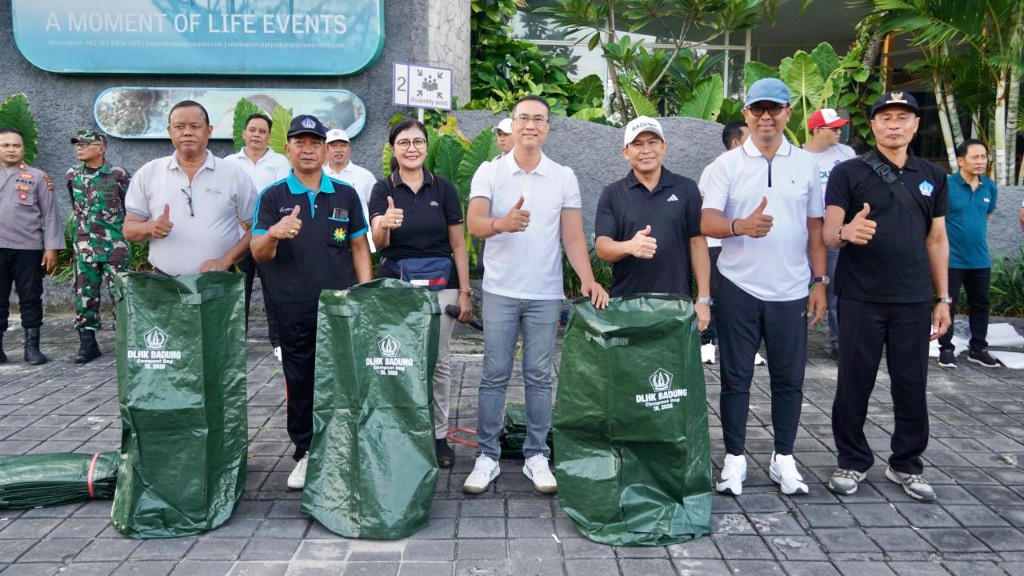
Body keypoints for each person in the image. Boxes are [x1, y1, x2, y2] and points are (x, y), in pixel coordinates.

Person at [464, 95, 609, 495]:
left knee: (539, 377)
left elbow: (574, 236)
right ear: (512, 125)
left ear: (547, 127)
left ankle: (536, 455)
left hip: (546, 294)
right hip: (499, 291)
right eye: (523, 118)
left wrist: (586, 278)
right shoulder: (489, 172)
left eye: (539, 119)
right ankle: (487, 456)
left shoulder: (563, 176)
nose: (531, 125)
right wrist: (502, 222)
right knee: (494, 375)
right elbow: (474, 224)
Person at [700, 78, 827, 497]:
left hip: (791, 288)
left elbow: (815, 228)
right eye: (757, 109)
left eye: (774, 109)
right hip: (739, 286)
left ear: (789, 113)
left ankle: (783, 458)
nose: (766, 117)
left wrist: (819, 281)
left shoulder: (807, 165)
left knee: (788, 379)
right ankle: (734, 459)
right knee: (735, 378)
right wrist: (740, 226)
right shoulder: (725, 166)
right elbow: (706, 222)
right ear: (747, 116)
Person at [823, 91, 951, 502]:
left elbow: (937, 240)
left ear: (915, 125)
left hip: (913, 298)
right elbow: (828, 232)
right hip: (860, 296)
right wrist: (846, 234)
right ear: (873, 125)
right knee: (853, 382)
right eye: (885, 117)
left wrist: (944, 298)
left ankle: (906, 464)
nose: (894, 124)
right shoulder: (848, 172)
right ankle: (852, 459)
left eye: (903, 117)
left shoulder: (933, 174)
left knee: (911, 383)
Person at [251, 114, 372, 490]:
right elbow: (258, 252)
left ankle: (343, 446)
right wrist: (274, 233)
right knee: (300, 382)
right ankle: (305, 452)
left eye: (315, 142)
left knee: (343, 381)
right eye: (300, 142)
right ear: (287, 148)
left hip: (340, 308)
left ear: (325, 150)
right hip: (292, 310)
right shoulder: (273, 197)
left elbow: (358, 247)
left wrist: (365, 296)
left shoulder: (346, 194)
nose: (308, 149)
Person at [368, 118, 472, 469]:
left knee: (439, 363)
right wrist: (385, 225)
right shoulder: (383, 190)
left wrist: (465, 292)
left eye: (418, 142)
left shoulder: (442, 189)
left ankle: (439, 435)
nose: (411, 148)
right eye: (403, 143)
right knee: (398, 361)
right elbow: (377, 243)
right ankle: (402, 429)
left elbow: (458, 244)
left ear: (426, 147)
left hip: (442, 287)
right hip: (396, 287)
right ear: (393, 149)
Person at [594, 116, 712, 327]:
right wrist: (630, 246)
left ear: (664, 147)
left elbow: (698, 243)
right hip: (627, 306)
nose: (646, 150)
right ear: (625, 152)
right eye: (637, 144)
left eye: (652, 142)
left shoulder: (686, 188)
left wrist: (703, 299)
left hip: (677, 306)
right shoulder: (612, 193)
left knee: (676, 361)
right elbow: (602, 248)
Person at [124, 100, 257, 276]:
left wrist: (226, 260)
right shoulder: (149, 172)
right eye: (179, 126)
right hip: (165, 284)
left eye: (195, 126)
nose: (187, 132)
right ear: (170, 131)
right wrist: (150, 227)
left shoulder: (233, 174)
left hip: (219, 283)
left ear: (209, 131)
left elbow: (256, 227)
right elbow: (129, 229)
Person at [223, 113, 291, 361]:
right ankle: (234, 342)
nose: (257, 135)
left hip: (269, 237)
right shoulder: (229, 162)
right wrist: (240, 218)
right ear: (244, 133)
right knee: (239, 291)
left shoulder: (282, 162)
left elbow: (282, 197)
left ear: (268, 136)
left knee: (274, 290)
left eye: (262, 131)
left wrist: (260, 222)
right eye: (252, 130)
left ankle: (279, 342)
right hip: (238, 237)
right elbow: (222, 197)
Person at [66, 129, 130, 364]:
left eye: (85, 143)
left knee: (121, 294)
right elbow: (76, 207)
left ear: (101, 148)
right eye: (77, 144)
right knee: (85, 295)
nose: (79, 147)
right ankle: (87, 344)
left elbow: (128, 207)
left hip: (115, 246)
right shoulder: (72, 175)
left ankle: (124, 341)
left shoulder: (118, 175)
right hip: (85, 246)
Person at [0, 128, 63, 365]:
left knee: (31, 298)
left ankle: (32, 348)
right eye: (5, 145)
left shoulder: (37, 177)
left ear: (23, 149)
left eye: (16, 145)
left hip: (28, 248)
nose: (11, 149)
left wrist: (52, 248)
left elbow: (50, 215)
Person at [937, 139, 999, 369]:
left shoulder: (989, 187)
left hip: (979, 259)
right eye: (975, 157)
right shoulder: (947, 185)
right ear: (961, 160)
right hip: (951, 258)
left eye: (983, 157)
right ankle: (946, 348)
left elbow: (986, 215)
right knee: (948, 304)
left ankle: (978, 348)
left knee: (981, 303)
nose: (980, 161)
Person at [700, 121, 755, 366]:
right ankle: (707, 343)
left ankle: (747, 347)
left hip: (747, 247)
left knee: (742, 298)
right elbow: (704, 210)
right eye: (749, 137)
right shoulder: (716, 169)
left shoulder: (757, 169)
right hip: (715, 244)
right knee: (713, 295)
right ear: (736, 142)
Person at [803, 109, 857, 360]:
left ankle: (839, 342)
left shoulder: (846, 155)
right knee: (798, 289)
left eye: (839, 127)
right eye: (832, 128)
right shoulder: (798, 157)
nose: (838, 132)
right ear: (816, 130)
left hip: (834, 234)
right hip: (802, 235)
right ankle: (794, 341)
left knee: (835, 290)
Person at [323, 128, 378, 251]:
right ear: (325, 149)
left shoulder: (365, 175)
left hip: (363, 241)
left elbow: (375, 209)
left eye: (343, 145)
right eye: (333, 146)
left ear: (349, 148)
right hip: (326, 244)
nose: (338, 150)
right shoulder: (318, 177)